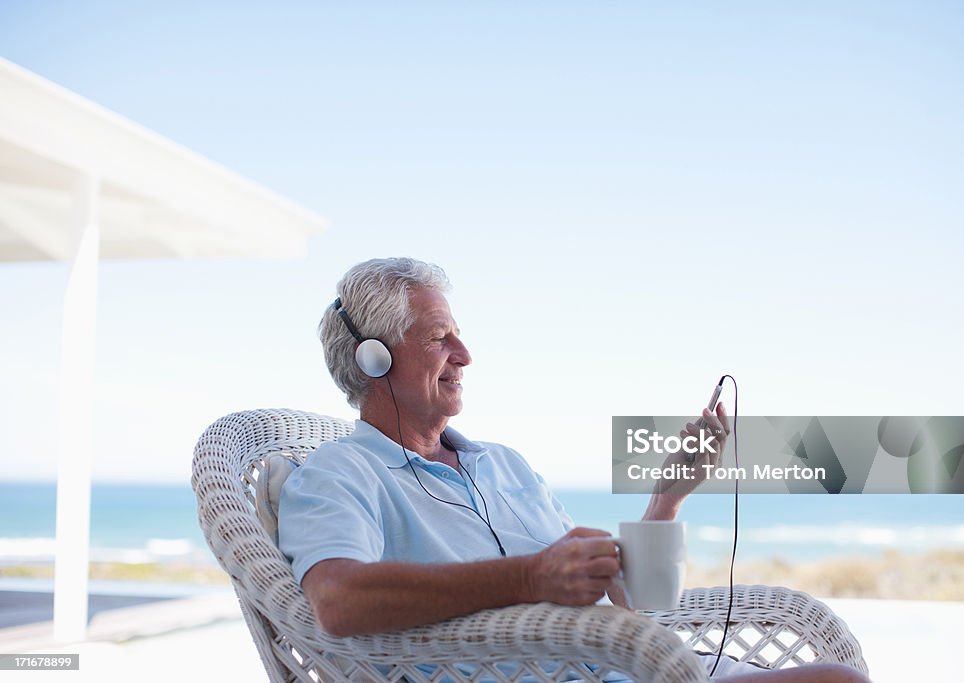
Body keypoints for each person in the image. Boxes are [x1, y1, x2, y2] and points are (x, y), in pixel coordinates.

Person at [278, 257, 869, 683]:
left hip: (636, 664)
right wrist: (530, 577)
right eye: (440, 338)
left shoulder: (502, 463)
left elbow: (632, 602)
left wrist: (667, 498)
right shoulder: (341, 473)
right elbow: (338, 600)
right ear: (374, 359)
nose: (465, 354)